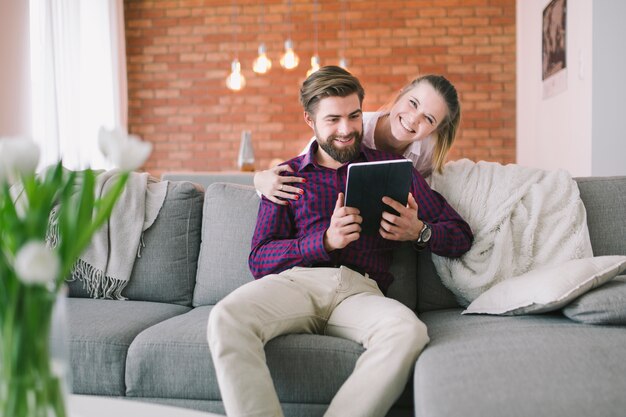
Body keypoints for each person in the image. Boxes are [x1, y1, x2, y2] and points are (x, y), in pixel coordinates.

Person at [207, 66, 473, 417]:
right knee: (226, 316)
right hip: (296, 283)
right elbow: (259, 259)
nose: (346, 129)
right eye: (332, 119)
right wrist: (324, 241)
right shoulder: (286, 177)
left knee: (408, 331)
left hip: (360, 292)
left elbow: (460, 234)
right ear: (310, 120)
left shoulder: (394, 169)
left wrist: (419, 231)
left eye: (354, 116)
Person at [254, 73, 461, 205]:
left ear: (436, 129)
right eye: (413, 103)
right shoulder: (348, 131)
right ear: (401, 94)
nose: (414, 119)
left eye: (429, 118)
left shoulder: (426, 153)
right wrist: (258, 180)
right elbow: (300, 173)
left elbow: (425, 200)